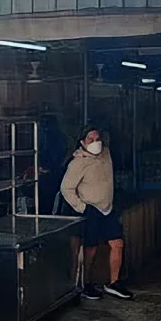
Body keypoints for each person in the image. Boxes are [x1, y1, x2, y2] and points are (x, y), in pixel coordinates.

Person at [60, 126, 133, 302]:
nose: (96, 143)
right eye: (91, 140)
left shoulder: (106, 154)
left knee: (118, 244)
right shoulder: (78, 163)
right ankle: (87, 284)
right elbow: (66, 188)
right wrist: (81, 207)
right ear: (82, 142)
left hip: (108, 207)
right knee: (91, 248)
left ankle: (113, 283)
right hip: (91, 209)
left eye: (97, 139)